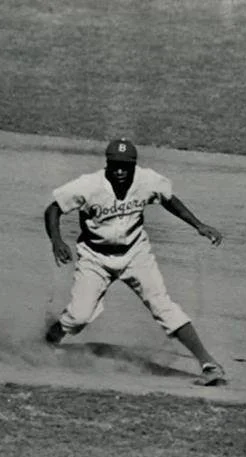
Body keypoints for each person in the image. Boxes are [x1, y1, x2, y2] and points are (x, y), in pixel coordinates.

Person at [43, 139, 228, 386]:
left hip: (135, 254)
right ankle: (47, 341)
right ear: (107, 164)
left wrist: (198, 225)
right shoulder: (88, 185)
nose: (120, 171)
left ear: (134, 166)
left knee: (163, 306)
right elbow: (53, 209)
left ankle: (209, 364)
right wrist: (56, 240)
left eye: (126, 166)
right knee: (78, 316)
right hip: (95, 258)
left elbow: (168, 199)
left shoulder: (146, 180)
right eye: (115, 165)